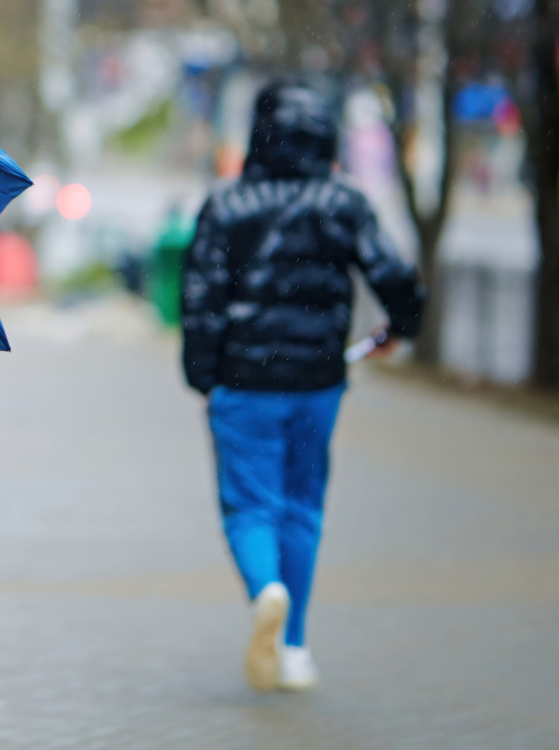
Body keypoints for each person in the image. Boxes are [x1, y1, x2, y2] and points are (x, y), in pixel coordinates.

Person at [180, 79, 425, 693]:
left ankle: (267, 592)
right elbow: (393, 272)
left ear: (258, 135)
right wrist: (401, 325)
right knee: (303, 508)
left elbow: (201, 298)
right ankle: (294, 648)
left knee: (249, 506)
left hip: (243, 380)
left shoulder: (226, 206)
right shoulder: (343, 202)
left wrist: (202, 372)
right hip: (319, 381)